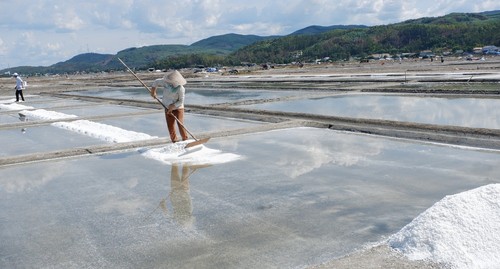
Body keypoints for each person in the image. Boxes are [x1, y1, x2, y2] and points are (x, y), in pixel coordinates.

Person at [150, 70, 188, 143]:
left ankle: (185, 139)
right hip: (167, 106)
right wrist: (153, 91)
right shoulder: (165, 82)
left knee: (180, 124)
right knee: (170, 125)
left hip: (178, 108)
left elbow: (181, 101)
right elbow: (156, 82)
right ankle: (174, 141)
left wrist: (173, 106)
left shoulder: (181, 88)